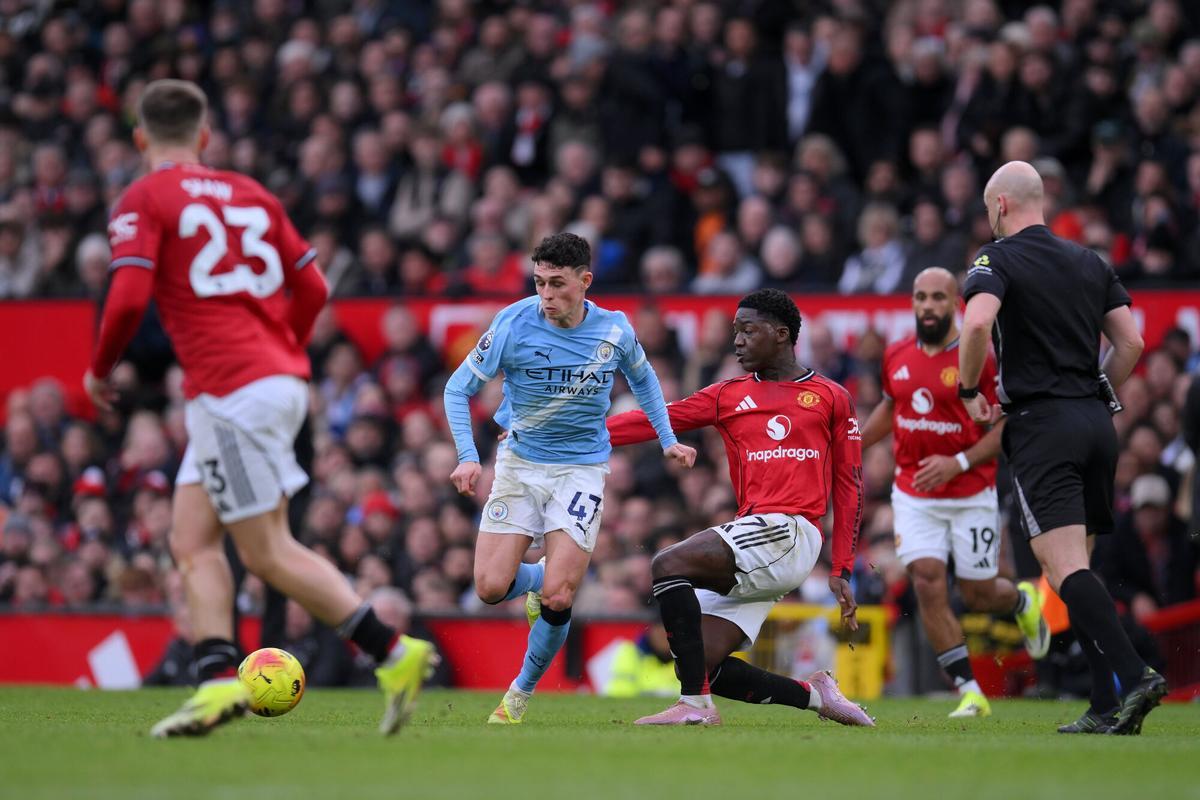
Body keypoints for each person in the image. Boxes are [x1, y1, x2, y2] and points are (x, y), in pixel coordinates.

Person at [84, 80, 437, 738]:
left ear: (139, 139)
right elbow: (314, 284)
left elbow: (127, 297)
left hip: (232, 392)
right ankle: (216, 680)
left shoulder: (143, 196)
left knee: (268, 552)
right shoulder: (251, 194)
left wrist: (100, 368)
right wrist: (283, 348)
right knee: (191, 542)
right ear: (206, 136)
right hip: (256, 385)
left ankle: (393, 651)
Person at [443, 232, 695, 724]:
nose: (547, 295)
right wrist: (468, 456)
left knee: (561, 596)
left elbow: (643, 379)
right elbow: (457, 389)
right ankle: (535, 578)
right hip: (519, 465)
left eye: (557, 284)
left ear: (585, 282)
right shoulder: (513, 324)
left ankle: (518, 694)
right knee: (490, 588)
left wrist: (667, 439)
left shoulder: (615, 330)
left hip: (581, 470)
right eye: (539, 283)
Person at [959, 160, 1164, 735]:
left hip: (1041, 425)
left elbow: (976, 327)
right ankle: (1104, 705)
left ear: (999, 205)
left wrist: (969, 387)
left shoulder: (995, 258)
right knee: (1081, 568)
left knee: (1061, 567)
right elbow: (1131, 342)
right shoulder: (1089, 260)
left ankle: (1134, 675)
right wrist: (1096, 388)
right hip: (1097, 422)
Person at [606, 288, 873, 727]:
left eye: (748, 330)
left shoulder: (831, 396)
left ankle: (694, 708)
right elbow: (655, 418)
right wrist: (573, 434)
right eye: (735, 331)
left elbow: (850, 484)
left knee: (668, 563)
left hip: (790, 530)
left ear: (782, 334)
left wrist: (842, 567)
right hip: (757, 536)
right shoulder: (727, 395)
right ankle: (814, 696)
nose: (738, 341)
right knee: (699, 661)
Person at [859, 267, 1049, 718]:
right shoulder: (897, 354)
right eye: (921, 297)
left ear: (955, 304)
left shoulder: (978, 357)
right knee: (926, 578)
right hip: (914, 493)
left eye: (938, 298)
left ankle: (1023, 600)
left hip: (969, 493)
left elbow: (1004, 426)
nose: (928, 306)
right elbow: (892, 404)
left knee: (979, 593)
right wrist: (855, 442)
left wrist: (957, 462)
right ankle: (970, 690)